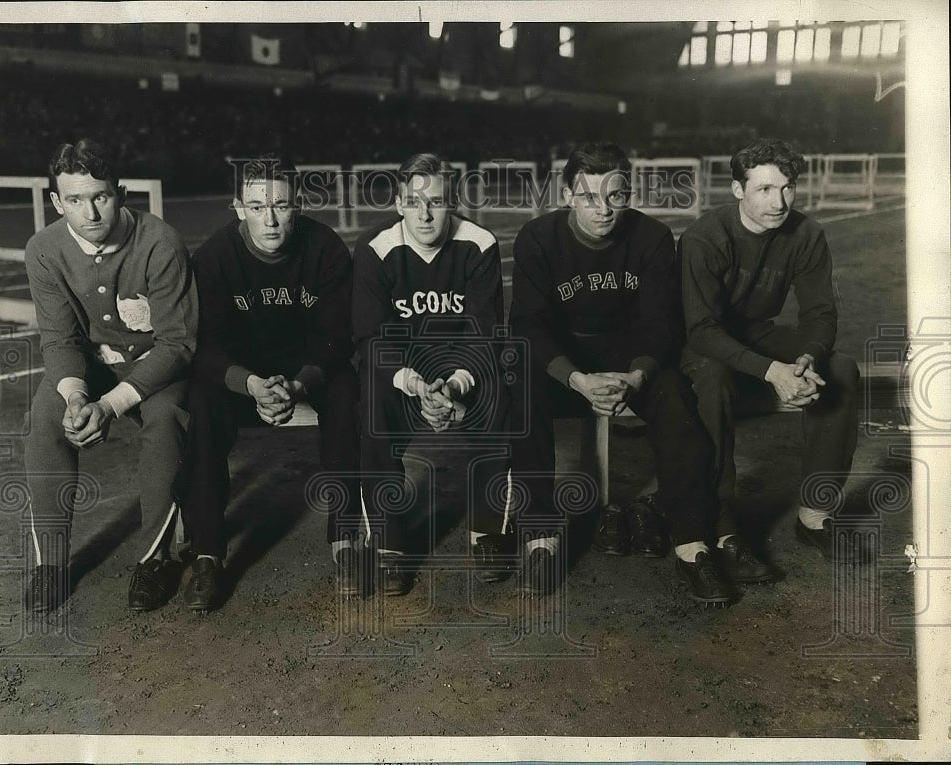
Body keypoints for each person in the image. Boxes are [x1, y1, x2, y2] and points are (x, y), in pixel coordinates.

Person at [509, 142, 731, 603]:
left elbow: (660, 323)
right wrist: (575, 379)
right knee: (520, 388)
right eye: (590, 196)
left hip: (630, 371)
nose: (604, 209)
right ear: (568, 193)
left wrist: (637, 377)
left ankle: (693, 544)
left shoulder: (651, 237)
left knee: (674, 395)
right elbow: (528, 325)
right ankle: (540, 538)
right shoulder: (537, 238)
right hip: (567, 372)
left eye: (616, 195)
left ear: (628, 194)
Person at [173, 157, 360, 609]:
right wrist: (251, 383)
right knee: (199, 398)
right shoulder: (215, 257)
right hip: (244, 380)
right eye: (258, 206)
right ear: (239, 207)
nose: (271, 219)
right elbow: (206, 347)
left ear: (297, 205)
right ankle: (207, 552)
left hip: (305, 374)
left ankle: (348, 538)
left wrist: (297, 386)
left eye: (281, 205)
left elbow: (338, 337)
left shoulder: (326, 248)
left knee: (351, 391)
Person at [23, 138, 198, 614]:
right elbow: (59, 341)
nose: (91, 213)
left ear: (119, 192)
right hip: (91, 369)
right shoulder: (43, 249)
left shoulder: (160, 241)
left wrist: (110, 405)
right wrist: (79, 397)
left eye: (100, 196)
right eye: (75, 200)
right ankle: (51, 564)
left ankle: (154, 559)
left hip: (155, 367)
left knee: (166, 421)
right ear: (58, 202)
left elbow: (178, 345)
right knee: (45, 415)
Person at [679, 137, 860, 572]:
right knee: (712, 377)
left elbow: (820, 314)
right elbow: (700, 328)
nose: (779, 201)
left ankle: (815, 516)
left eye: (787, 187)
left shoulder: (807, 233)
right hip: (703, 341)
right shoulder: (705, 236)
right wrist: (771, 371)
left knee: (841, 368)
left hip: (758, 335)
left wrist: (807, 358)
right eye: (764, 189)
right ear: (738, 190)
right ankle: (721, 526)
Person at [352, 153, 514, 596]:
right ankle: (387, 536)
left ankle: (487, 530)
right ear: (399, 203)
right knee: (369, 387)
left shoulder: (478, 242)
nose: (425, 213)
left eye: (437, 202)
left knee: (500, 386)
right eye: (414, 201)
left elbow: (485, 332)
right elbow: (370, 339)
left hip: (462, 367)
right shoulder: (375, 249)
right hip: (405, 373)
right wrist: (417, 385)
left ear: (453, 202)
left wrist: (458, 383)